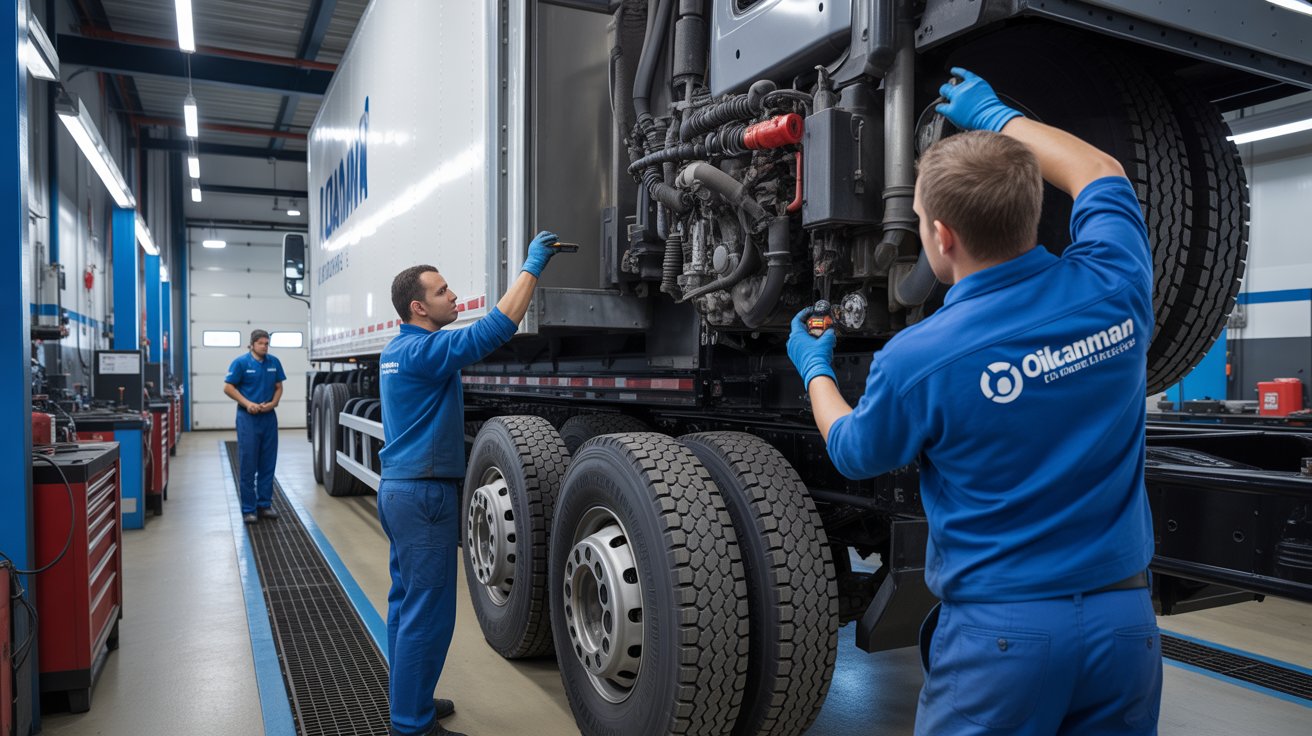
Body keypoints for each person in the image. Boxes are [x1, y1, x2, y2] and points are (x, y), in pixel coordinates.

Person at [787, 68, 1161, 735]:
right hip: (1125, 626)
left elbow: (851, 450)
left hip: (1003, 638)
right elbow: (1098, 170)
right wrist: (995, 115)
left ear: (941, 236)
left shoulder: (918, 358)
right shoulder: (1115, 283)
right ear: (1031, 209)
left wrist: (815, 368)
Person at [377, 230, 568, 736]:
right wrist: (532, 267)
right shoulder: (425, 351)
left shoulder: (397, 350)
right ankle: (411, 725)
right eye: (442, 291)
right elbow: (495, 329)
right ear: (418, 307)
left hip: (400, 490)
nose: (453, 296)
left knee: (405, 604)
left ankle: (409, 700)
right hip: (424, 495)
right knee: (429, 614)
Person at [223, 329, 287, 525]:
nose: (265, 347)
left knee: (268, 463)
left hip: (268, 418)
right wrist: (247, 403)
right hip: (248, 419)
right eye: (261, 343)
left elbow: (279, 387)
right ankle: (249, 509)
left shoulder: (274, 362)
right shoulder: (241, 363)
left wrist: (274, 403)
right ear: (252, 344)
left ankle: (264, 505)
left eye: (267, 343)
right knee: (248, 464)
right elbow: (228, 387)